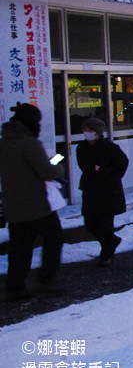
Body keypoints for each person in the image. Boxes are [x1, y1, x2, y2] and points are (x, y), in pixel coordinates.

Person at [0, 103, 66, 299]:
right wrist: (58, 168)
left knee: (20, 248)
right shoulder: (29, 144)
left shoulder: (3, 143)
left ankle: (15, 286)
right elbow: (47, 171)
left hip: (14, 206)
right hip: (38, 206)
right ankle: (46, 280)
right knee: (54, 239)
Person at [76, 118, 129, 267]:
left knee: (105, 223)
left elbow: (122, 163)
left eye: (90, 130)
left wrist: (108, 176)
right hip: (89, 189)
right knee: (90, 223)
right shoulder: (82, 147)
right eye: (85, 130)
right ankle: (112, 241)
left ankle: (107, 254)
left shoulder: (109, 147)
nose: (86, 133)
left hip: (108, 191)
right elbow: (83, 166)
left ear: (98, 132)